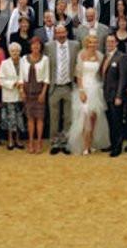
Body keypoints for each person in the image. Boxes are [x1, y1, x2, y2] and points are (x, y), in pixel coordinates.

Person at [68, 35, 109, 155]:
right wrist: (81, 91)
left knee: (94, 118)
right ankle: (84, 146)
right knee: (85, 118)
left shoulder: (100, 56)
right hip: (84, 89)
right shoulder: (81, 54)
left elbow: (102, 73)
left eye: (95, 42)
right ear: (87, 43)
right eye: (90, 42)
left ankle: (91, 144)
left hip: (96, 89)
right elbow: (78, 74)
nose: (93, 44)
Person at [45, 25, 79, 155]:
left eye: (63, 31)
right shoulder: (49, 46)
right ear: (55, 34)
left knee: (68, 117)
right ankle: (54, 143)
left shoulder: (75, 45)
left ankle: (65, 143)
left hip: (69, 86)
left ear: (66, 32)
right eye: (58, 32)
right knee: (54, 118)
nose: (61, 34)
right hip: (54, 87)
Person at [21, 37, 50, 154]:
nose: (35, 47)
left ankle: (39, 142)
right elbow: (20, 76)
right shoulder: (24, 58)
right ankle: (31, 141)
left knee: (40, 118)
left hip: (39, 92)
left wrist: (43, 93)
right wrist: (21, 91)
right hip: (27, 91)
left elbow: (47, 77)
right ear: (30, 46)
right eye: (33, 45)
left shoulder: (45, 59)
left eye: (38, 45)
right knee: (30, 118)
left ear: (40, 47)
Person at [0, 43, 26, 150]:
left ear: (20, 51)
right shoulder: (4, 63)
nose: (15, 53)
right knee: (10, 118)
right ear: (9, 52)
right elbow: (0, 79)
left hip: (20, 94)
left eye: (17, 51)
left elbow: (25, 76)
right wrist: (13, 83)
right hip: (9, 95)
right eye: (13, 51)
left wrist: (21, 84)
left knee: (19, 118)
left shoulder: (24, 62)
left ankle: (18, 140)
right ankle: (10, 140)